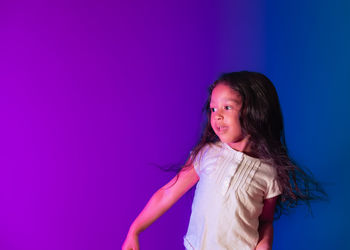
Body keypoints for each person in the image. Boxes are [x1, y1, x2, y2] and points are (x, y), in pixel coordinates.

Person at [122, 71, 326, 250]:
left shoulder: (269, 173)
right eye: (213, 109)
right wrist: (135, 229)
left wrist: (264, 245)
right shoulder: (207, 154)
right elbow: (167, 193)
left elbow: (265, 221)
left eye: (227, 107)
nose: (217, 115)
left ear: (255, 111)